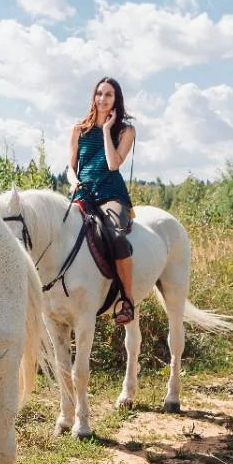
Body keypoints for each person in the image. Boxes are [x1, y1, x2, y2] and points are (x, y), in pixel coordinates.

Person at [68, 77, 137, 324]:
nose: (102, 99)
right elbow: (70, 166)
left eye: (108, 95)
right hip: (82, 193)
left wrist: (107, 130)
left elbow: (113, 164)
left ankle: (127, 301)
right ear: (93, 96)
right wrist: (73, 181)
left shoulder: (125, 130)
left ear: (116, 99)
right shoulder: (78, 129)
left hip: (111, 195)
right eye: (99, 93)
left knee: (117, 237)